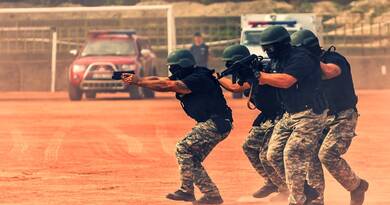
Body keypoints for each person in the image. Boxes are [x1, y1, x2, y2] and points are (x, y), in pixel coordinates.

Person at [122, 49, 233, 205]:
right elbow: (159, 79)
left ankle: (187, 191)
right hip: (212, 123)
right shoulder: (186, 74)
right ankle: (212, 196)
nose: (171, 70)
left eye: (173, 67)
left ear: (183, 66)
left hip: (217, 122)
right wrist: (136, 78)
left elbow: (169, 85)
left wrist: (139, 82)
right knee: (190, 159)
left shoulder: (199, 77)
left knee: (183, 148)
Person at [291, 29, 369, 205]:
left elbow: (331, 72)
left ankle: (356, 186)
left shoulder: (333, 58)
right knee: (310, 153)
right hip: (321, 118)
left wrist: (309, 62)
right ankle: (316, 200)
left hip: (344, 116)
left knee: (327, 154)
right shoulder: (304, 67)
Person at [256, 25, 328, 205]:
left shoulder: (301, 58)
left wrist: (260, 76)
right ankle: (304, 190)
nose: (267, 51)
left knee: (291, 152)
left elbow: (287, 81)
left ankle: (298, 199)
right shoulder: (277, 60)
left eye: (270, 48)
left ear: (281, 45)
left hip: (310, 113)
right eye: (265, 48)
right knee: (271, 154)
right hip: (290, 113)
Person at [217, 44, 288, 200]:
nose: (228, 66)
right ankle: (271, 181)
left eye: (230, 63)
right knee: (249, 146)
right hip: (267, 115)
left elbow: (235, 88)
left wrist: (218, 78)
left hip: (280, 115)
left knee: (265, 154)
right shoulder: (245, 73)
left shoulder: (259, 70)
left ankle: (285, 189)